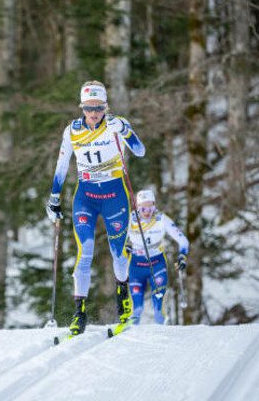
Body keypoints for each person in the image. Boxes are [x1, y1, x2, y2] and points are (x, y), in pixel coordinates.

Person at [46, 80, 146, 337]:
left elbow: (140, 150)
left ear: (106, 107)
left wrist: (125, 130)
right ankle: (80, 314)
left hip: (115, 195)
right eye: (89, 108)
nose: (94, 113)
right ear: (82, 108)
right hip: (86, 196)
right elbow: (61, 164)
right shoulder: (72, 131)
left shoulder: (115, 125)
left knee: (118, 253)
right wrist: (54, 198)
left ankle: (124, 306)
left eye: (99, 108)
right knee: (85, 250)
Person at [126, 189, 189, 325]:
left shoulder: (162, 219)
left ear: (154, 205)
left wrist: (182, 255)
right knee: (136, 310)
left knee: (158, 309)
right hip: (136, 268)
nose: (147, 212)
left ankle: (162, 339)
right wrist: (125, 246)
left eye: (150, 207)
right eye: (143, 209)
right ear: (137, 207)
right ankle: (130, 339)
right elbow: (118, 241)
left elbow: (183, 240)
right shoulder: (130, 219)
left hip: (157, 265)